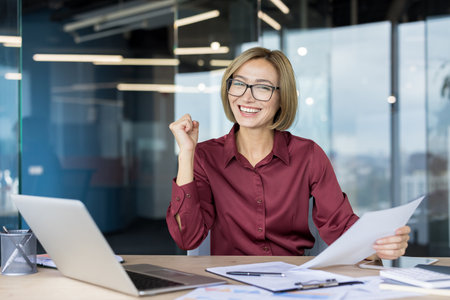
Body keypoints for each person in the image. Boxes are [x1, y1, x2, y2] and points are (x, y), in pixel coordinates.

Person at [167, 47, 410, 258]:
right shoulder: (206, 156)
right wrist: (187, 153)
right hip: (229, 284)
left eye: (262, 87)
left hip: (292, 282)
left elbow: (341, 227)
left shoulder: (309, 155)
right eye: (239, 84)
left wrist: (381, 245)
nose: (247, 97)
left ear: (282, 98)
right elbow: (188, 238)